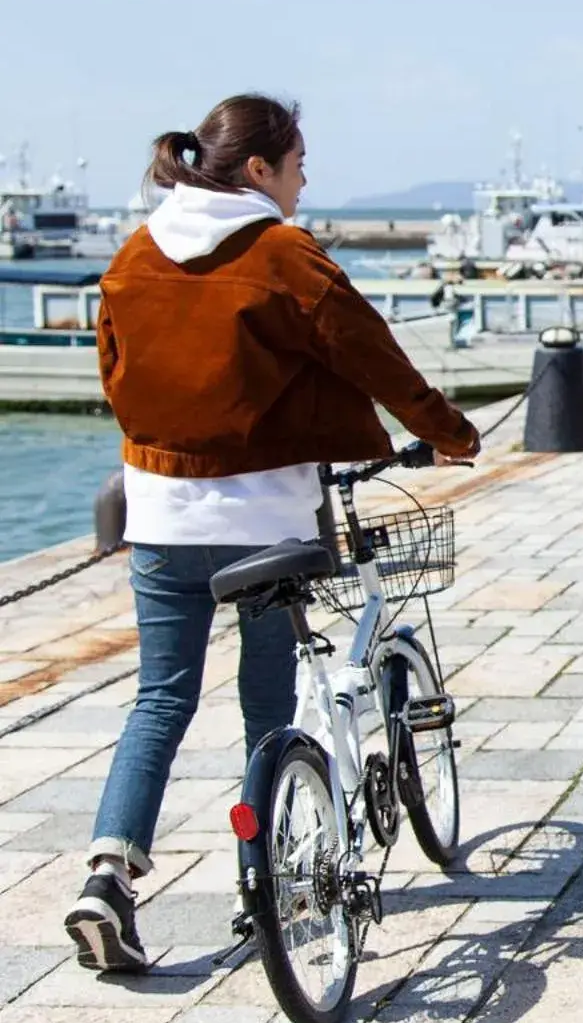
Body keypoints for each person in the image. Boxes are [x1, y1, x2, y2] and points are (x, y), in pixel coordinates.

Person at [65, 95, 480, 972]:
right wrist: (450, 432)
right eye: (297, 161)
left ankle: (108, 874)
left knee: (160, 698)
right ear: (258, 169)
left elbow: (115, 371)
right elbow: (371, 353)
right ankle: (273, 888)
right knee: (271, 705)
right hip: (265, 522)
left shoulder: (136, 252)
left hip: (159, 514)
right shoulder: (281, 251)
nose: (303, 178)